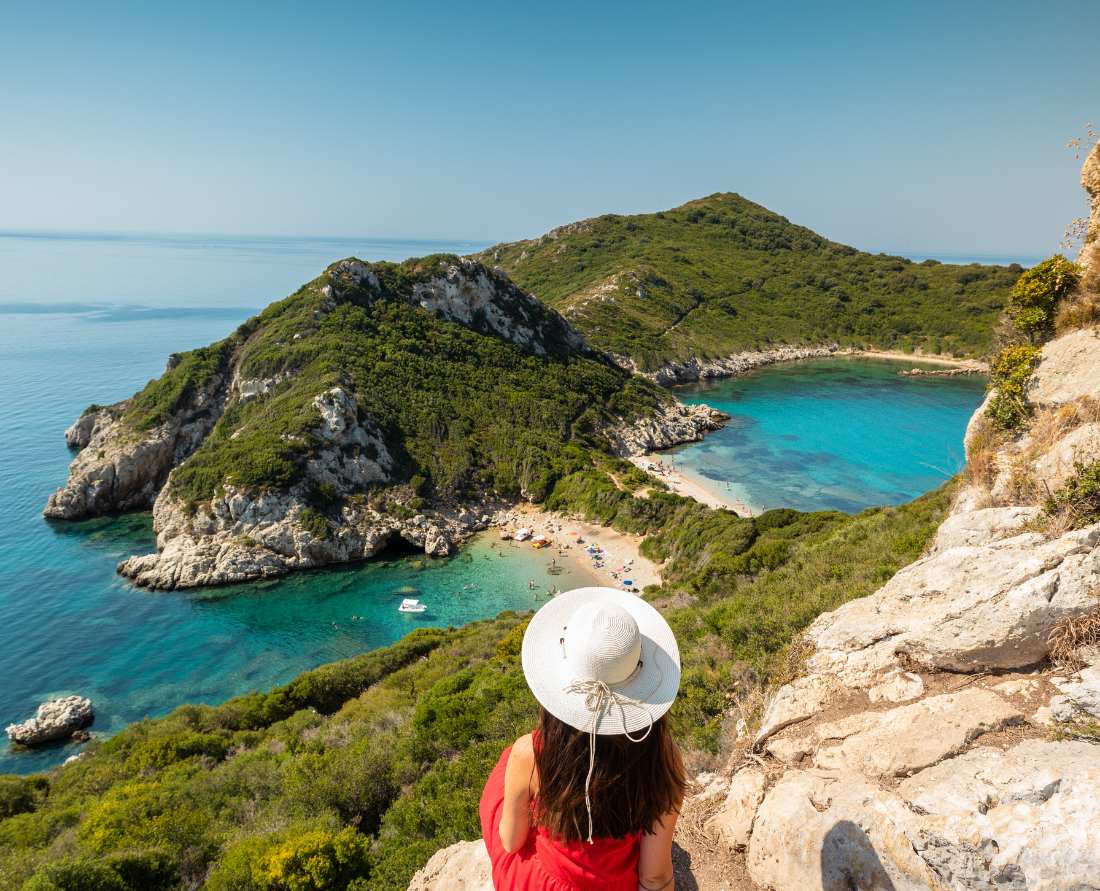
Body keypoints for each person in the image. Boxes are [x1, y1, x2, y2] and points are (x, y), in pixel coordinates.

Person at [480, 586, 685, 891]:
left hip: (545, 884)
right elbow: (654, 875)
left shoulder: (533, 753)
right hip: (613, 884)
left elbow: (510, 842)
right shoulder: (664, 757)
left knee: (504, 776)